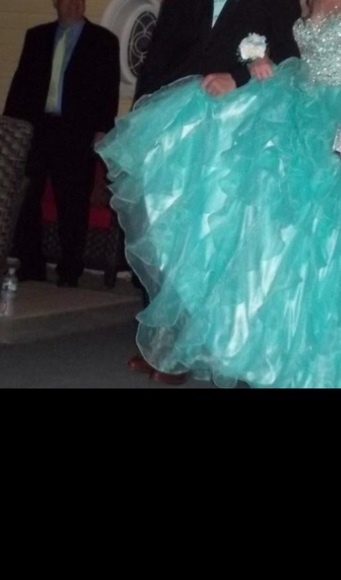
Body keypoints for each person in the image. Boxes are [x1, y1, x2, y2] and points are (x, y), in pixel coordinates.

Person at [97, 0, 341, 388]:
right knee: (290, 246)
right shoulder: (311, 3)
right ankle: (287, 356)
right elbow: (293, 59)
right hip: (302, 114)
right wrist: (260, 61)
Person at [123, 0, 301, 384]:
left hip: (233, 124)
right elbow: (159, 52)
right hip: (174, 115)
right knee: (165, 229)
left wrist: (238, 76)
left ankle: (198, 347)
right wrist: (141, 115)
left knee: (206, 235)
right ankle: (165, 345)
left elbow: (290, 57)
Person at [4, 0, 120, 287]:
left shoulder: (103, 41)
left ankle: (70, 270)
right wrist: (11, 126)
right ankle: (31, 265)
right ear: (55, 3)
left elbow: (110, 87)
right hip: (37, 129)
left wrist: (102, 129)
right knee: (26, 197)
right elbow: (21, 83)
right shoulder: (37, 37)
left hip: (76, 132)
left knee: (72, 202)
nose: (73, 5)